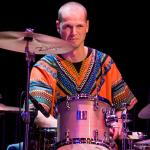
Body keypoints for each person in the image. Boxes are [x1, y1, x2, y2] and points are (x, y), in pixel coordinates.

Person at [7, 1, 138, 150]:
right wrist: (70, 132)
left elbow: (123, 104)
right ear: (58, 26)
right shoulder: (45, 67)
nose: (74, 32)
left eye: (79, 26)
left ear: (87, 26)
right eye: (68, 26)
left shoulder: (105, 63)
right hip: (57, 145)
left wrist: (119, 122)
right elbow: (35, 113)